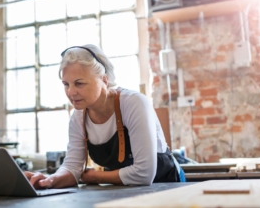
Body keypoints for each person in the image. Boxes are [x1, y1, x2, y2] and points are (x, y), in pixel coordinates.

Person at [24, 44, 185, 189]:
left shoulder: (134, 103)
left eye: (79, 83)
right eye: (66, 84)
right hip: (124, 191)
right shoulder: (78, 117)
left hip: (166, 187)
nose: (70, 92)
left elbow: (144, 174)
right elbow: (73, 167)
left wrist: (95, 176)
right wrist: (50, 180)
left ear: (104, 80)